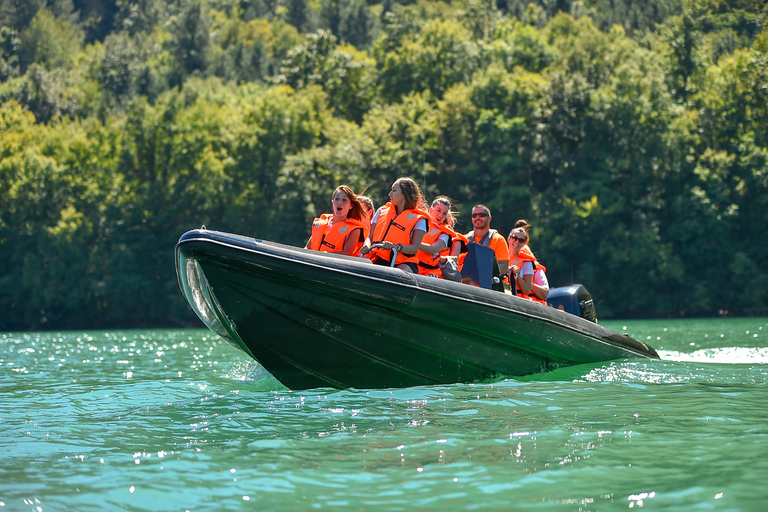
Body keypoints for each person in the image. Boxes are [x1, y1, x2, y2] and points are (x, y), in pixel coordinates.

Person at [359, 178, 429, 273]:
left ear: (404, 194)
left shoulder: (419, 220)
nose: (390, 193)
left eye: (394, 190)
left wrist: (397, 248)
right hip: (380, 258)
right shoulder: (381, 211)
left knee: (398, 273)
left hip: (404, 262)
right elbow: (370, 237)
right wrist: (366, 245)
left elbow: (415, 248)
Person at [305, 185, 367, 256]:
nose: (339, 202)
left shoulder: (354, 230)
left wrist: (325, 255)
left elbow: (347, 253)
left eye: (344, 200)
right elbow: (307, 247)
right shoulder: (322, 222)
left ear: (351, 205)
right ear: (332, 202)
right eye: (337, 199)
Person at [416, 196, 466, 278]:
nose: (441, 215)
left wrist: (414, 243)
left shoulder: (445, 234)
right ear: (431, 209)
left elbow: (432, 249)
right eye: (438, 210)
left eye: (444, 213)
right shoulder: (419, 222)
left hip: (431, 271)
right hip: (414, 264)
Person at [465, 204, 509, 276]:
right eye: (474, 216)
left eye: (482, 215)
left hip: (491, 283)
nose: (478, 218)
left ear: (489, 218)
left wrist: (484, 272)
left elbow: (504, 267)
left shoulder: (498, 239)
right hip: (469, 282)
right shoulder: (465, 239)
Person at [508, 227, 549, 304]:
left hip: (521, 302)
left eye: (521, 240)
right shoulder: (502, 260)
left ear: (523, 244)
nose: (517, 242)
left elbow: (527, 290)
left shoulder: (527, 263)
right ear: (508, 239)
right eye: (514, 238)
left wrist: (518, 276)